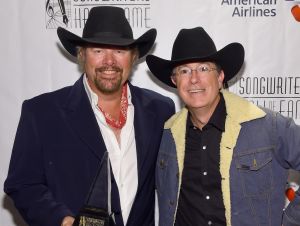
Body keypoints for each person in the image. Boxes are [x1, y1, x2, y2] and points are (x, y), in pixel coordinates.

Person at [4, 6, 175, 226]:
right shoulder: (42, 113)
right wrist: (64, 222)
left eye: (119, 51)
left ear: (133, 58)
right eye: (98, 50)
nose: (109, 61)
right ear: (82, 55)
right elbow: (23, 185)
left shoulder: (160, 110)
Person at [146, 27, 300, 226]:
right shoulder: (167, 134)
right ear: (175, 81)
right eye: (184, 71)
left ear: (220, 77)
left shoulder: (268, 126)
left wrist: (289, 221)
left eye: (203, 68)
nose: (194, 79)